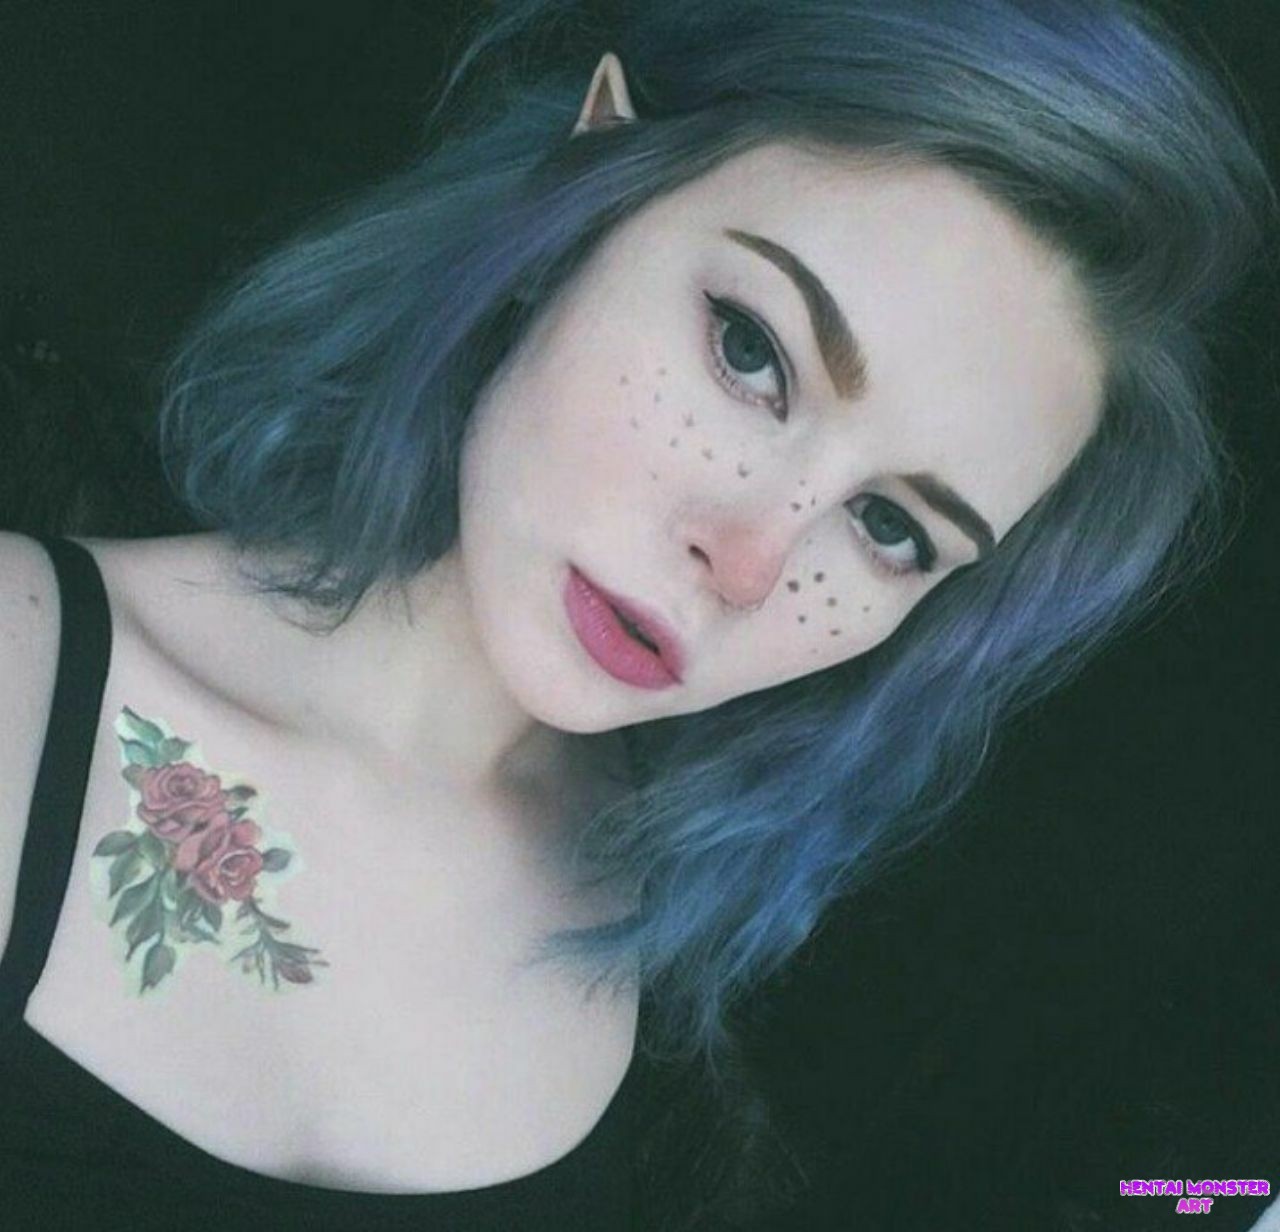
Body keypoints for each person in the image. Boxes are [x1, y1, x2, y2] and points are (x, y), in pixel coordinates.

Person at [0, 1, 1272, 1228]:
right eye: (749, 353)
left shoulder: (688, 1061)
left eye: (890, 527)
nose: (748, 560)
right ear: (587, 183)